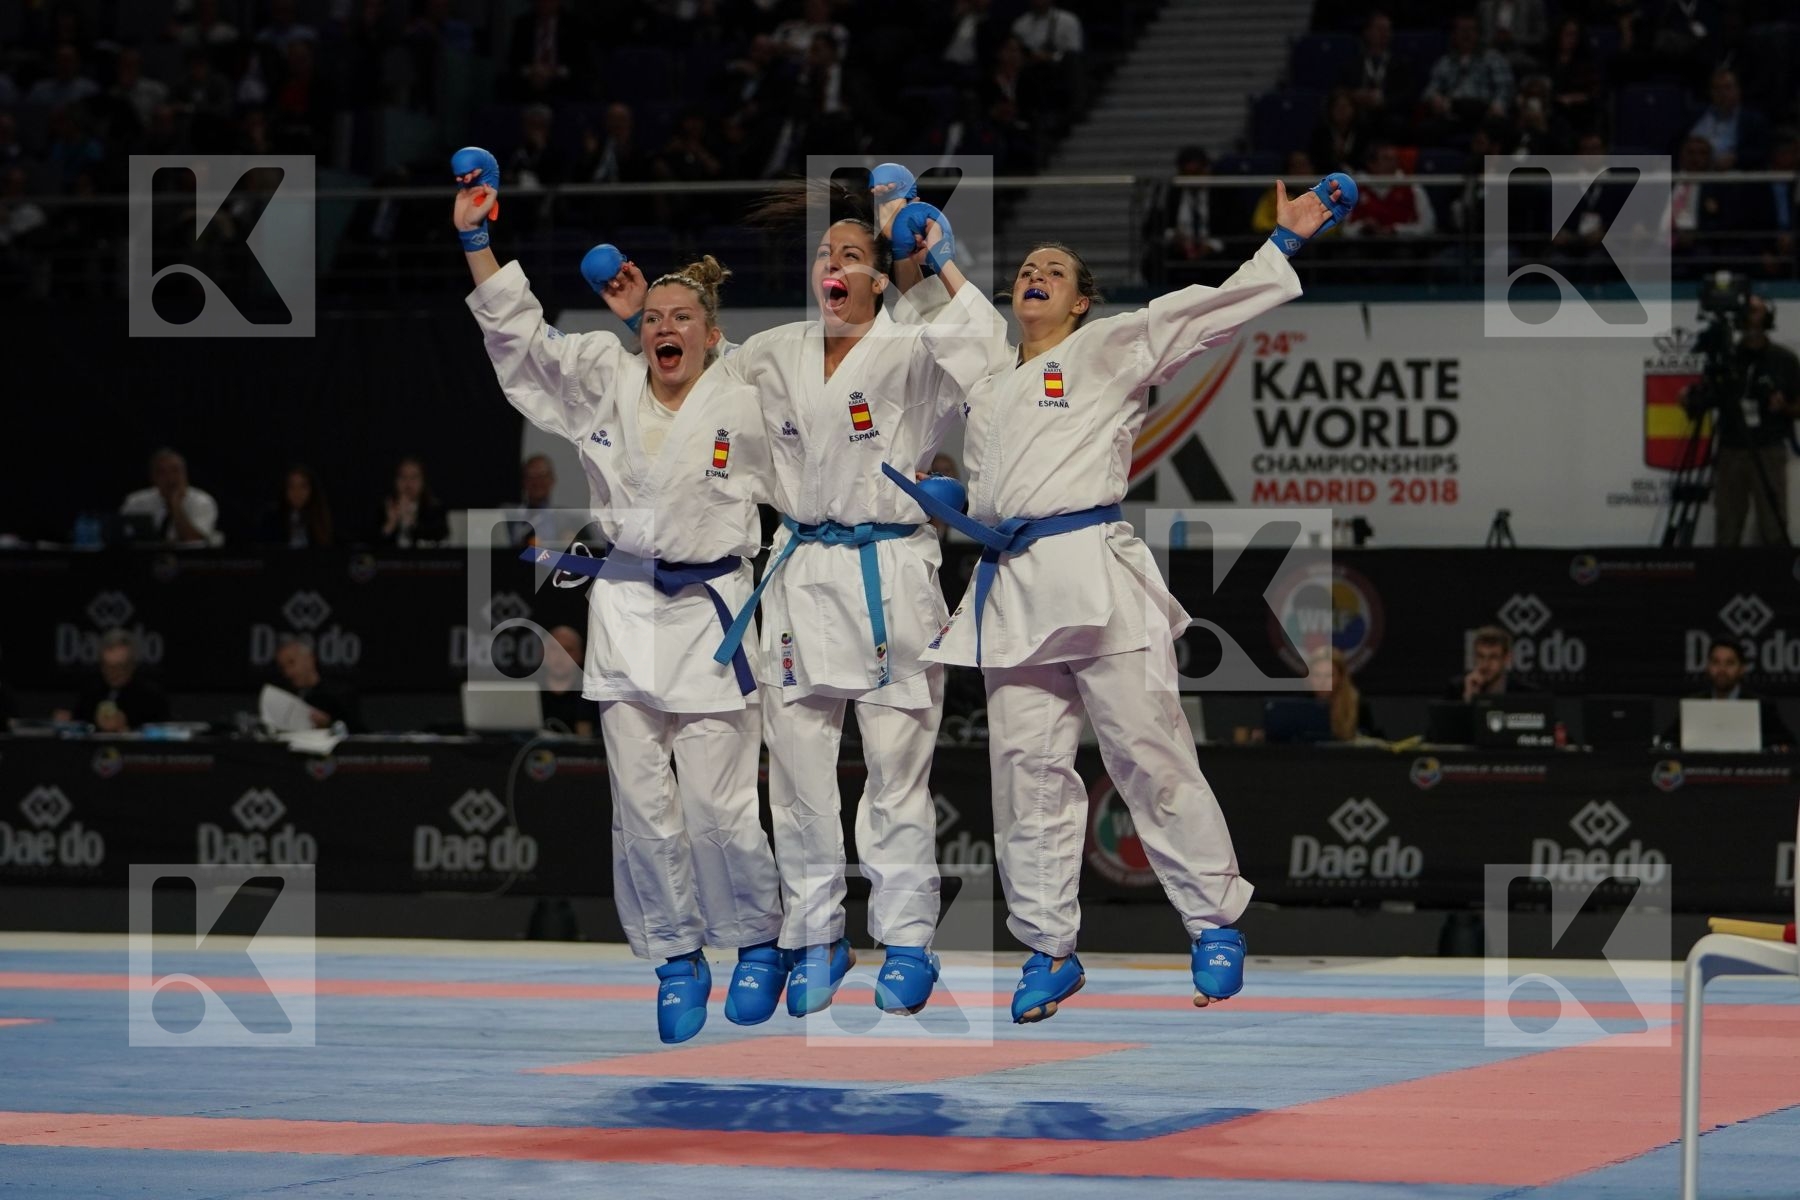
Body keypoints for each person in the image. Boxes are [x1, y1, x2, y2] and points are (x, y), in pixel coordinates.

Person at [891, 173, 1357, 1022]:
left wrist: (1283, 242)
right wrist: (923, 245)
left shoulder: (1108, 348)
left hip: (1097, 575)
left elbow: (1199, 314)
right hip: (1013, 589)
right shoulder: (992, 379)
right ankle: (1046, 950)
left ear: (1079, 304)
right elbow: (959, 320)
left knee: (1149, 753)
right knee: (1025, 779)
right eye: (1026, 266)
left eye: (1055, 270)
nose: (1035, 272)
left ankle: (1213, 923)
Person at [606, 169, 989, 1019]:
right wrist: (646, 319)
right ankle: (816, 936)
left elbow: (989, 356)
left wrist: (932, 253)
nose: (833, 263)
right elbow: (695, 379)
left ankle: (908, 939)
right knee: (800, 781)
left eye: (852, 254)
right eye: (824, 252)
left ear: (881, 276)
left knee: (896, 774)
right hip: (800, 572)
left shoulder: (918, 346)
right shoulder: (773, 353)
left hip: (889, 570)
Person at [456, 150, 785, 1043]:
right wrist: (477, 237)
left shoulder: (745, 394)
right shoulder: (604, 374)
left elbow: (821, 425)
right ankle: (677, 957)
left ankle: (757, 940)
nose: (666, 330)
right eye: (657, 320)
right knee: (643, 809)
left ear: (713, 335)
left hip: (714, 619)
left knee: (719, 808)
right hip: (629, 614)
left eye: (684, 319)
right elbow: (520, 343)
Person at [1683, 294, 1796, 546]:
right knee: (1728, 522)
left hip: (1769, 448)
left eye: (1755, 311)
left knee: (1773, 523)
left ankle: (1776, 581)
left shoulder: (1784, 359)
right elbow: (1709, 396)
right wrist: (1692, 399)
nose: (1750, 317)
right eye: (1745, 312)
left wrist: (1784, 406)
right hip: (1731, 448)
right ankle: (1724, 581)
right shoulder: (1727, 359)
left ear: (1768, 315)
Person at [1684, 637, 1795, 751]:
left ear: (1742, 668)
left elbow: (1787, 743)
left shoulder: (1761, 705)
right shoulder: (1694, 704)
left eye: (1730, 663)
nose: (1722, 670)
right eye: (1715, 662)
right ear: (1707, 667)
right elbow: (1671, 741)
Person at [60, 631, 169, 732]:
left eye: (120, 667)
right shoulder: (90, 692)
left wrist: (126, 728)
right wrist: (68, 722)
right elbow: (79, 725)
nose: (114, 673)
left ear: (132, 665)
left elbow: (165, 734)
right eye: (108, 667)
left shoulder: (151, 697)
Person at [121, 448, 223, 546]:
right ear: (153, 477)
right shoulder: (136, 501)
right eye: (162, 472)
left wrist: (176, 505)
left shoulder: (202, 502)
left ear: (185, 473)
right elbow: (121, 535)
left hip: (186, 560)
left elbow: (193, 539)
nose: (170, 478)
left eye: (175, 471)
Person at [273, 637, 361, 731]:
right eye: (283, 668)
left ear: (310, 659)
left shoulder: (340, 693)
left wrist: (329, 724)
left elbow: (357, 732)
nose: (288, 672)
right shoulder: (286, 695)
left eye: (292, 663)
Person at [1446, 625, 1539, 701]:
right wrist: (1470, 699)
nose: (1485, 664)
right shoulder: (1457, 689)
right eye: (1481, 656)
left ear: (1506, 658)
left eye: (1493, 657)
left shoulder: (1525, 693)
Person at [1309, 648, 1380, 741]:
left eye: (1329, 675)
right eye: (1317, 675)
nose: (1322, 682)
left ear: (1341, 677)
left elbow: (1369, 744)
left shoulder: (1357, 705)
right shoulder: (1299, 704)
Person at [375, 456, 449, 547]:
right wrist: (390, 524)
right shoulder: (384, 507)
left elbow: (440, 536)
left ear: (423, 481)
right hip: (391, 560)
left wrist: (411, 523)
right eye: (403, 477)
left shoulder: (434, 508)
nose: (408, 483)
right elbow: (369, 544)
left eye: (414, 477)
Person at [257, 464, 334, 548]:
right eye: (291, 486)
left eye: (303, 486)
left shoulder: (322, 517)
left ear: (312, 490)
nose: (297, 493)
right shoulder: (271, 517)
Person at [541, 624, 595, 737]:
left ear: (580, 655)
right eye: (555, 649)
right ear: (543, 654)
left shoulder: (594, 696)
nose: (560, 656)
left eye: (568, 650)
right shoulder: (529, 692)